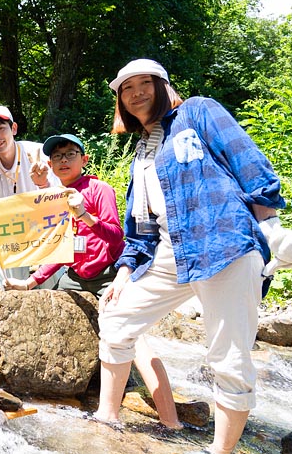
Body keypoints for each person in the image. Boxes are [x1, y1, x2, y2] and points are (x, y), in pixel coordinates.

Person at [95, 58, 291, 454]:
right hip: (171, 249)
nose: (136, 93)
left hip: (224, 242)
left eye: (145, 83)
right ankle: (107, 418)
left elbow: (246, 159)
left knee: (229, 358)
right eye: (127, 88)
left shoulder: (198, 111)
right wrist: (124, 272)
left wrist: (269, 222)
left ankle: (220, 451)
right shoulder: (141, 151)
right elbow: (141, 226)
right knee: (116, 317)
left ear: (164, 86)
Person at [5, 133, 180, 428]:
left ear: (84, 160)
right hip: (75, 276)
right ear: (49, 164)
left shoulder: (99, 189)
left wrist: (84, 214)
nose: (63, 160)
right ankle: (58, 394)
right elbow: (58, 249)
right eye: (57, 156)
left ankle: (171, 420)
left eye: (69, 154)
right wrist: (32, 282)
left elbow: (116, 237)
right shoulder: (55, 196)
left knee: (136, 341)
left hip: (109, 275)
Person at [0, 105, 61, 287]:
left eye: (1, 129)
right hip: (17, 238)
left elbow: (63, 197)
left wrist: (44, 183)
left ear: (14, 129)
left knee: (52, 286)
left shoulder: (39, 154)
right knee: (5, 284)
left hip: (50, 233)